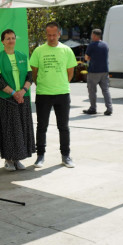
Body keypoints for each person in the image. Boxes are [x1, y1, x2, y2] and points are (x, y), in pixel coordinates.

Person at [30, 22, 77, 168]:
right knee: (41, 126)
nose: (51, 37)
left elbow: (70, 72)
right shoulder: (38, 51)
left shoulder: (67, 50)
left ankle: (66, 155)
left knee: (63, 127)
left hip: (62, 93)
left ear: (59, 34)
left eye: (54, 35)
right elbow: (34, 72)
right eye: (49, 35)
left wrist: (61, 84)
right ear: (46, 35)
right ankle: (40, 156)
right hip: (43, 93)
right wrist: (42, 85)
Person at [0, 29, 35, 171]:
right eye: (8, 38)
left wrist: (22, 92)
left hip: (23, 98)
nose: (11, 40)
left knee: (21, 129)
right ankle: (9, 160)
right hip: (6, 99)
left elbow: (30, 77)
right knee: (9, 129)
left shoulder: (22, 56)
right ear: (2, 41)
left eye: (13, 38)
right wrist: (14, 94)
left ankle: (18, 159)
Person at [83, 28, 113, 116]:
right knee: (106, 90)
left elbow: (86, 58)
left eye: (92, 35)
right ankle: (109, 108)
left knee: (92, 90)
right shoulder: (105, 45)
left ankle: (93, 108)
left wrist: (91, 58)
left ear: (95, 36)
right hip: (104, 71)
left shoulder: (91, 45)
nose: (91, 36)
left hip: (94, 71)